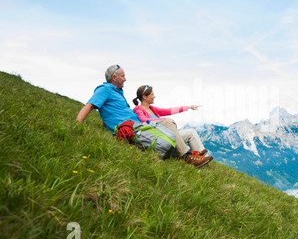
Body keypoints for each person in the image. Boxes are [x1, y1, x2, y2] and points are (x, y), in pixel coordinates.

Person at [76, 65, 212, 168]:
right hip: (136, 127)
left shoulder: (117, 92)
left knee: (176, 132)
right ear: (114, 78)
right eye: (123, 76)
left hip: (138, 126)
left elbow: (111, 112)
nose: (125, 78)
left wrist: (188, 107)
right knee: (169, 127)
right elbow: (90, 105)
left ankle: (194, 156)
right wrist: (77, 125)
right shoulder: (105, 89)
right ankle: (188, 157)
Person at [132, 84, 212, 166]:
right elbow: (144, 120)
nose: (154, 96)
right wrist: (164, 119)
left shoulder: (152, 109)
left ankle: (203, 163)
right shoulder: (138, 109)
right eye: (152, 94)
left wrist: (189, 107)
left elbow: (169, 110)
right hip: (160, 139)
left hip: (168, 136)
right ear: (144, 97)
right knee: (168, 123)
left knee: (191, 132)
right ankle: (186, 156)